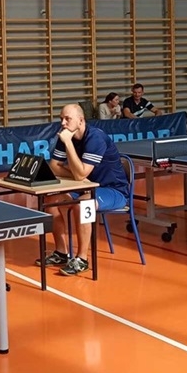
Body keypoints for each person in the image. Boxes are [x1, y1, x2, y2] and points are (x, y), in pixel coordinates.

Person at [42, 103, 132, 276]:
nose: (63, 123)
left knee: (83, 204)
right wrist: (78, 175)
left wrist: (69, 146)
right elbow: (54, 166)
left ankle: (82, 259)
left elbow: (81, 174)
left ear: (81, 120)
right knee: (50, 199)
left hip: (113, 190)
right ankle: (61, 253)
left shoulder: (95, 138)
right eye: (61, 119)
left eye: (67, 119)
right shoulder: (66, 135)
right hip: (86, 186)